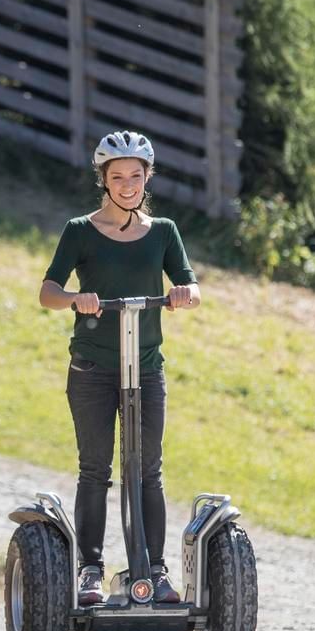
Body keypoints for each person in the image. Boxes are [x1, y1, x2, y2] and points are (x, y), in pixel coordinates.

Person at [39, 130, 200, 605]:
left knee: (147, 470)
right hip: (93, 367)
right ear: (103, 180)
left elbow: (190, 284)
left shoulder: (165, 232)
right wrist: (76, 299)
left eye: (136, 175)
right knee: (95, 470)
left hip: (146, 367)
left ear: (147, 177)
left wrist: (184, 294)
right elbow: (48, 291)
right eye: (117, 176)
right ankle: (90, 571)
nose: (128, 184)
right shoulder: (79, 231)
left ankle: (153, 570)